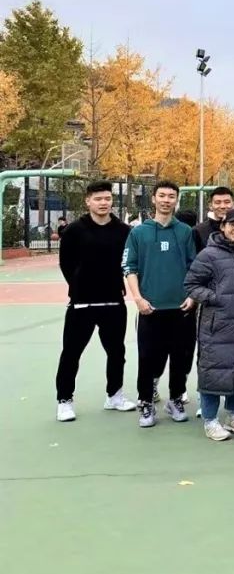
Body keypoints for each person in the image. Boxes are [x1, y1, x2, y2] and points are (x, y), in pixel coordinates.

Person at [55, 181, 136, 422]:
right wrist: (79, 286)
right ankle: (64, 400)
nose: (103, 203)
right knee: (71, 353)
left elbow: (128, 263)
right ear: (88, 201)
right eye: (98, 199)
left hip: (113, 302)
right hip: (82, 304)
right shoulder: (73, 231)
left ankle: (114, 395)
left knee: (116, 352)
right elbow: (66, 264)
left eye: (107, 199)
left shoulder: (124, 231)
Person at [123, 180, 197, 428]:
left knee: (180, 358)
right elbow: (129, 268)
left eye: (171, 196)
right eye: (162, 195)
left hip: (181, 308)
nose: (166, 200)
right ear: (154, 199)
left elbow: (194, 268)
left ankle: (175, 399)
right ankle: (146, 402)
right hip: (150, 309)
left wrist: (192, 296)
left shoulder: (185, 232)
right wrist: (138, 298)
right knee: (147, 359)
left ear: (177, 200)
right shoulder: (138, 233)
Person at [183, 209, 234, 441]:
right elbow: (191, 284)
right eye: (233, 225)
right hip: (216, 326)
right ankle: (210, 420)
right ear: (223, 226)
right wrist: (214, 297)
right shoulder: (209, 254)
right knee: (213, 372)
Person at [193, 186, 234, 252]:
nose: (222, 206)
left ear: (233, 205)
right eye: (218, 202)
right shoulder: (199, 231)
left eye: (227, 202)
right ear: (210, 206)